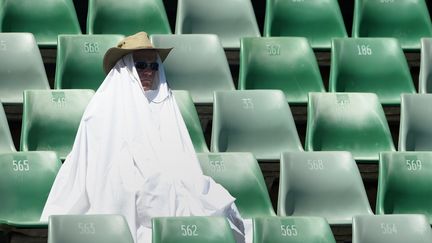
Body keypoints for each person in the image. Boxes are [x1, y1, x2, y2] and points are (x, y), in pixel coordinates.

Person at [40, 32, 246, 243]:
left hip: (164, 182)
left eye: (154, 66)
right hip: (120, 185)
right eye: (141, 65)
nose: (149, 72)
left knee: (211, 201)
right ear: (126, 68)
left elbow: (182, 161)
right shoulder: (100, 110)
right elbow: (101, 171)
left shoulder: (166, 104)